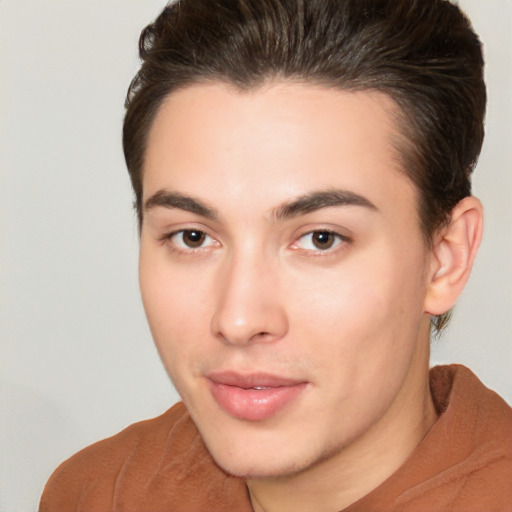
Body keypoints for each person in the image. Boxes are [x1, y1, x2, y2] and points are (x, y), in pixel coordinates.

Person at [39, 0, 512, 511]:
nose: (239, 320)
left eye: (321, 239)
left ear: (446, 258)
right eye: (193, 237)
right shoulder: (98, 494)